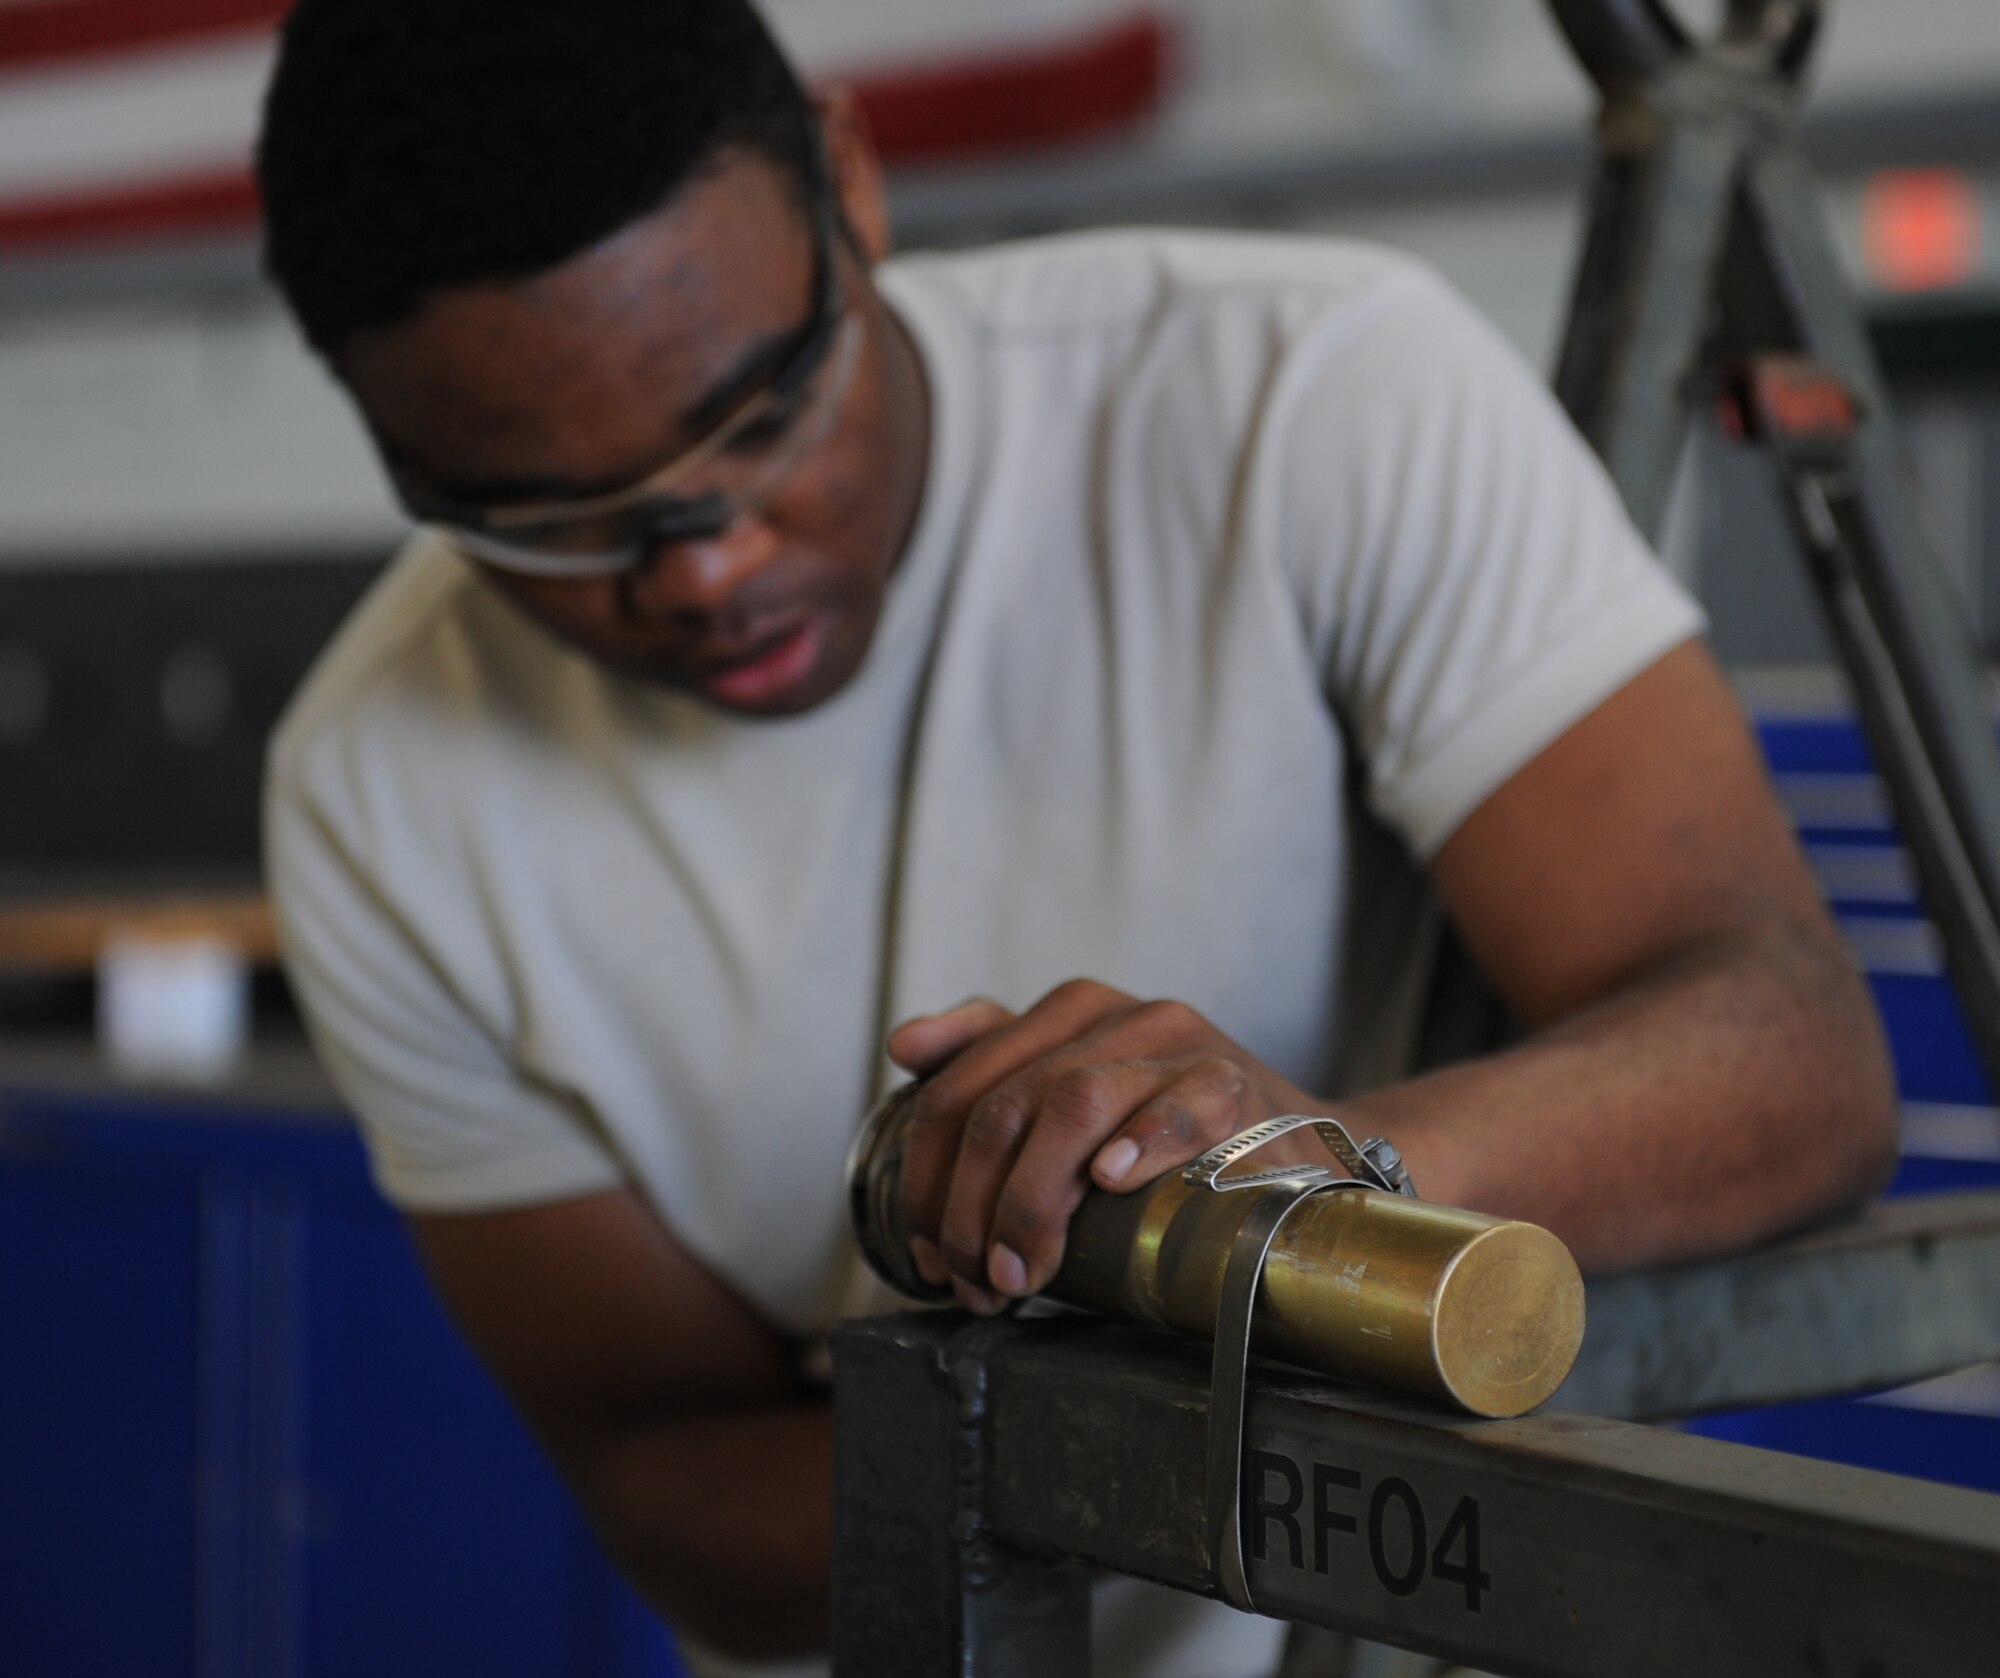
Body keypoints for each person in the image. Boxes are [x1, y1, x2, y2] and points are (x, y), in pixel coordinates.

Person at [255, 2, 1897, 1673]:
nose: (706, 567)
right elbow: (672, 1486)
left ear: (847, 181)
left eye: (760, 416)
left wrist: (1294, 1180)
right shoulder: (381, 787)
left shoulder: (1304, 397)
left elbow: (1792, 1056)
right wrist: (1086, 1423)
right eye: (546, 520)